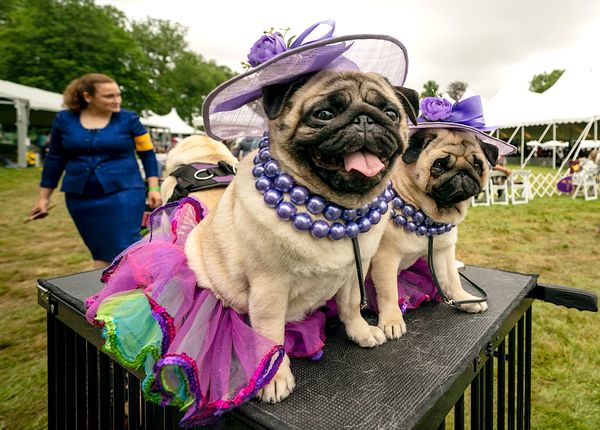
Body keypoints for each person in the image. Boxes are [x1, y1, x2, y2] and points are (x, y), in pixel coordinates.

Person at [30, 73, 162, 268]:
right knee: (99, 250)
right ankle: (105, 290)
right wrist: (43, 199)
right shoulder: (64, 120)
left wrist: (153, 188)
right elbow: (55, 159)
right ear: (87, 96)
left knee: (126, 246)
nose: (117, 100)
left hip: (124, 193)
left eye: (118, 95)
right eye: (109, 96)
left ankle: (131, 290)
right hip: (80, 198)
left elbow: (148, 154)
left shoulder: (129, 119)